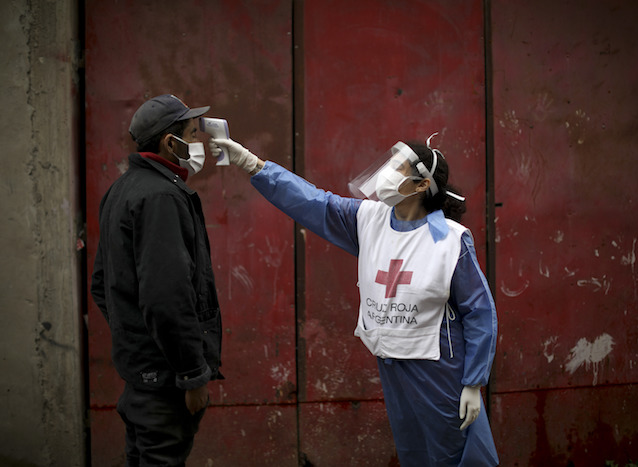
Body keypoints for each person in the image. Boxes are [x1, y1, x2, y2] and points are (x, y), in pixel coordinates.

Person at [210, 135, 499, 466]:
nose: (387, 174)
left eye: (398, 168)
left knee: (452, 452)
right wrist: (251, 163)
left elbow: (479, 312)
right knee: (414, 451)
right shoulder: (369, 219)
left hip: (438, 366)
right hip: (392, 362)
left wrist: (473, 381)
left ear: (421, 186)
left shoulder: (449, 240)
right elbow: (311, 202)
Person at [91, 94, 224, 466]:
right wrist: (192, 375)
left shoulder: (122, 189)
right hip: (165, 383)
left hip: (141, 378)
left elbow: (102, 284)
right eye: (193, 134)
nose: (200, 144)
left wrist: (137, 343)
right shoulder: (162, 196)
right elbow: (168, 296)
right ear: (170, 143)